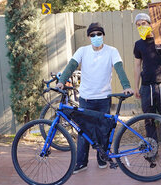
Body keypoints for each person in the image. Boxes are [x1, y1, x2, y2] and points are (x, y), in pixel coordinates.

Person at [57, 22, 134, 173]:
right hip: (86, 98)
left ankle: (102, 158)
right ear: (88, 37)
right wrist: (61, 81)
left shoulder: (112, 51)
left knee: (103, 131)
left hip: (104, 98)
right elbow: (71, 65)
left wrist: (126, 86)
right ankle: (81, 163)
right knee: (83, 132)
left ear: (103, 35)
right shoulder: (82, 51)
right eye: (93, 35)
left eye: (99, 34)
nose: (96, 37)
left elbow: (119, 68)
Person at [133, 13, 161, 157]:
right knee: (148, 118)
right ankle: (151, 148)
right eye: (138, 25)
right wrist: (135, 87)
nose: (141, 26)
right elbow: (137, 66)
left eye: (144, 23)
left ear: (150, 24)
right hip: (146, 86)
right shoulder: (138, 44)